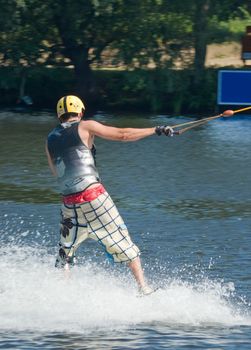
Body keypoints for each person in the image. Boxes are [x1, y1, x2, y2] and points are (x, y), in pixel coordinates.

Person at [45, 95, 173, 296]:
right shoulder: (86, 126)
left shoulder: (50, 138)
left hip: (69, 204)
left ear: (59, 116)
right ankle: (143, 289)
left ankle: (61, 296)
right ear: (80, 112)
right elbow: (122, 134)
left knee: (65, 254)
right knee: (123, 241)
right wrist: (155, 130)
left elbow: (56, 172)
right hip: (94, 196)